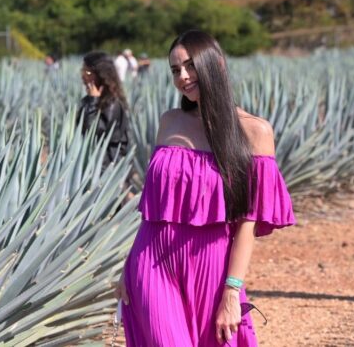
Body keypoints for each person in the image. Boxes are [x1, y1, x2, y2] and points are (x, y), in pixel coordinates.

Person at [114, 30, 295, 346]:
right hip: (151, 261)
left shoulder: (255, 132)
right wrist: (128, 266)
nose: (182, 77)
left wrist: (232, 290)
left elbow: (247, 223)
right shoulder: (169, 122)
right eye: (174, 70)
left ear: (217, 65)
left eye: (189, 65)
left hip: (211, 267)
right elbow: (154, 205)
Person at [77, 51, 129, 167]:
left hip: (103, 168)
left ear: (100, 75)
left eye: (88, 71)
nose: (83, 75)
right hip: (92, 165)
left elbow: (93, 133)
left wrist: (93, 101)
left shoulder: (112, 104)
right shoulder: (91, 100)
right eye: (83, 70)